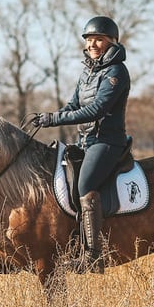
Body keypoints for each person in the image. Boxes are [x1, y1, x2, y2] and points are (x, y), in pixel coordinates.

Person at [33, 16, 131, 273]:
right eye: (89, 40)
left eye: (99, 39)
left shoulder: (116, 72)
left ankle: (94, 255)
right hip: (84, 141)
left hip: (107, 142)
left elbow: (97, 110)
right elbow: (74, 106)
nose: (93, 44)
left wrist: (53, 119)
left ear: (112, 42)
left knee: (85, 185)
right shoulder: (88, 71)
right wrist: (50, 115)